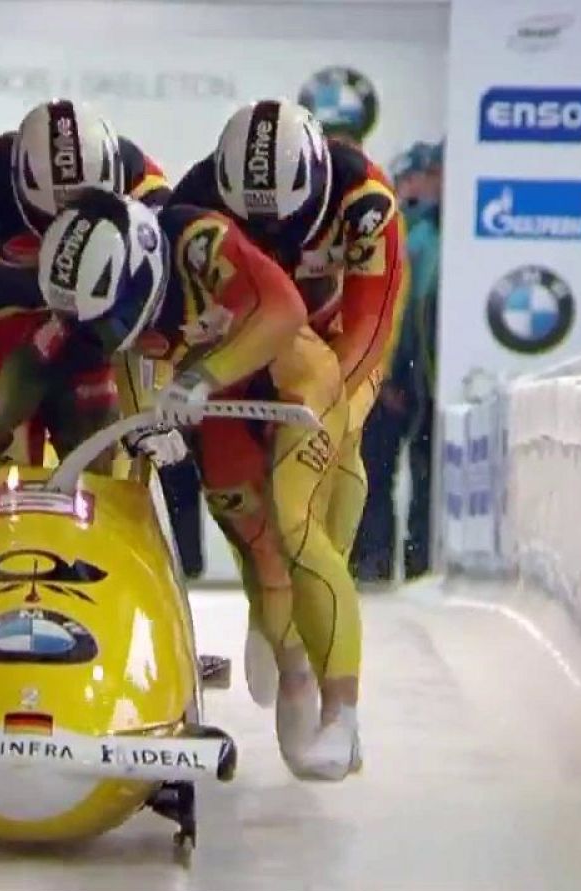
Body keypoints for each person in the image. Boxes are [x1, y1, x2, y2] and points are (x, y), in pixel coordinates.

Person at [0, 187, 364, 781]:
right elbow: (30, 367)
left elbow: (281, 308)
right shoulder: (87, 311)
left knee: (292, 523)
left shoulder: (198, 241)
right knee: (246, 533)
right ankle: (293, 664)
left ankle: (343, 715)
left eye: (113, 317)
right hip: (214, 404)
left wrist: (205, 375)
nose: (105, 334)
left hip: (295, 386)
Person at [167, 99, 408, 704]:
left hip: (337, 339)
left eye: (284, 217)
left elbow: (370, 322)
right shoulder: (192, 204)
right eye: (256, 222)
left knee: (316, 478)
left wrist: (329, 410)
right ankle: (270, 602)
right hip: (249, 341)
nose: (273, 232)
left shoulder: (365, 198)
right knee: (239, 493)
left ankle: (313, 627)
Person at [0, 98, 205, 576]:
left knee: (111, 467)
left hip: (100, 340)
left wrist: (150, 408)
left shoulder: (147, 193)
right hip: (12, 326)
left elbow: (153, 317)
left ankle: (114, 581)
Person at [353, 141, 441, 583]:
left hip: (419, 374)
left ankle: (415, 558)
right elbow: (395, 309)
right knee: (374, 470)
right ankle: (376, 558)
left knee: (423, 473)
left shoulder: (437, 235)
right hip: (398, 372)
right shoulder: (406, 229)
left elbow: (413, 313)